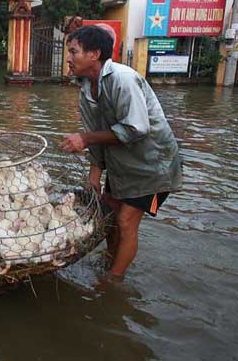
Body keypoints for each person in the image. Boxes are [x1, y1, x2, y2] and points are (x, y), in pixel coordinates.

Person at [59, 25, 182, 282]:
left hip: (155, 169)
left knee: (126, 220)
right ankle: (113, 262)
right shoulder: (86, 88)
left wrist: (85, 139)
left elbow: (136, 128)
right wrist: (95, 174)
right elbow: (95, 134)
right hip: (122, 167)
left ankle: (113, 283)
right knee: (109, 215)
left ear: (94, 54)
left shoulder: (123, 79)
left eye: (73, 52)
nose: (68, 58)